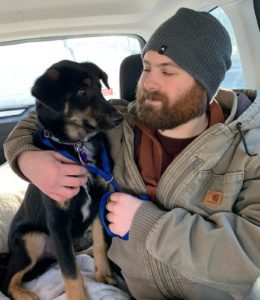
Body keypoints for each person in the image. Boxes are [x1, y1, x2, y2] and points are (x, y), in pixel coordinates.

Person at [3, 7, 260, 300]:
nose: (148, 82)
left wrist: (145, 223)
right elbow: (37, 120)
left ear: (205, 82)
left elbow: (252, 255)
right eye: (147, 67)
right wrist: (27, 159)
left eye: (168, 71)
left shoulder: (250, 147)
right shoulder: (118, 123)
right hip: (125, 288)